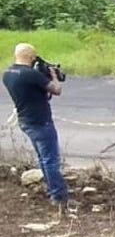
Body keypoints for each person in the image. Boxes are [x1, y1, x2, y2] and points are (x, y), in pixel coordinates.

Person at [3, 43, 70, 213]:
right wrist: (53, 75)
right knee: (51, 160)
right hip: (41, 122)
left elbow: (31, 90)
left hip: (25, 121)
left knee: (43, 158)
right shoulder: (31, 75)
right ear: (31, 57)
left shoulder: (8, 74)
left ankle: (52, 190)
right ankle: (58, 196)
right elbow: (56, 89)